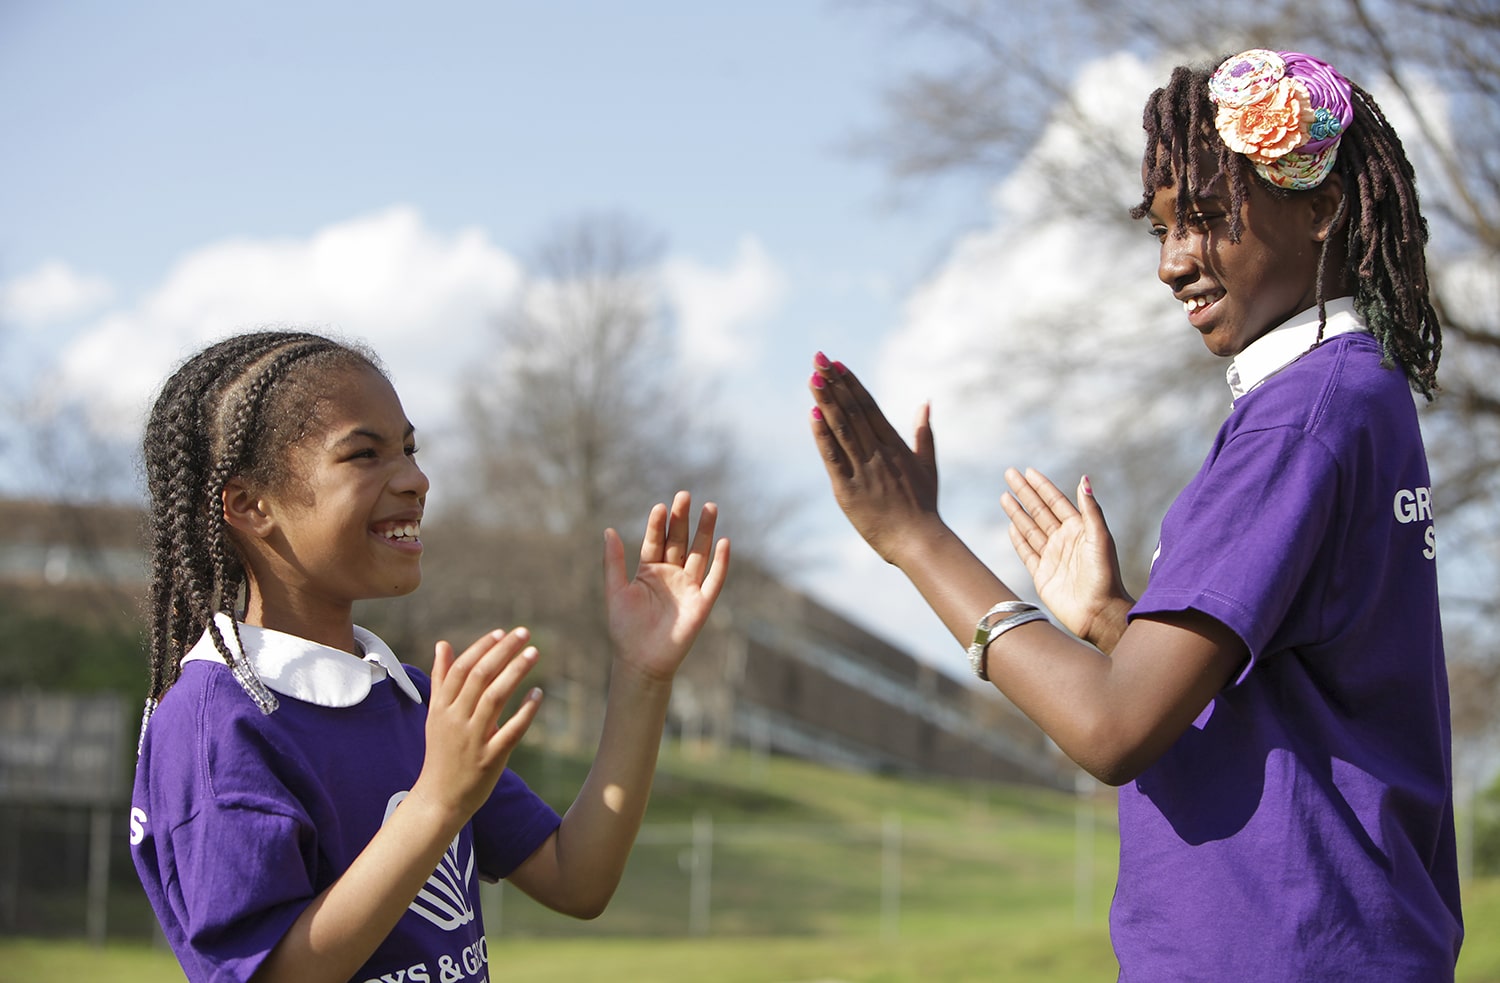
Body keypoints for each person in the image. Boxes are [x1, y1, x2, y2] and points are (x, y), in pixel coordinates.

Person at [808, 48, 1461, 980]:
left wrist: (917, 540)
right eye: (1160, 228)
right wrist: (1119, 622)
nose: (1170, 262)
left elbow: (1113, 729)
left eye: (1204, 219)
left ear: (1320, 209)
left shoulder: (1301, 418)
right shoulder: (1354, 398)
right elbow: (1297, 696)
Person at [129, 330, 730, 983]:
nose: (415, 479)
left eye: (409, 449)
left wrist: (644, 673)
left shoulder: (412, 701)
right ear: (251, 505)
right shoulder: (214, 721)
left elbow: (576, 877)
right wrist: (436, 802)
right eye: (364, 454)